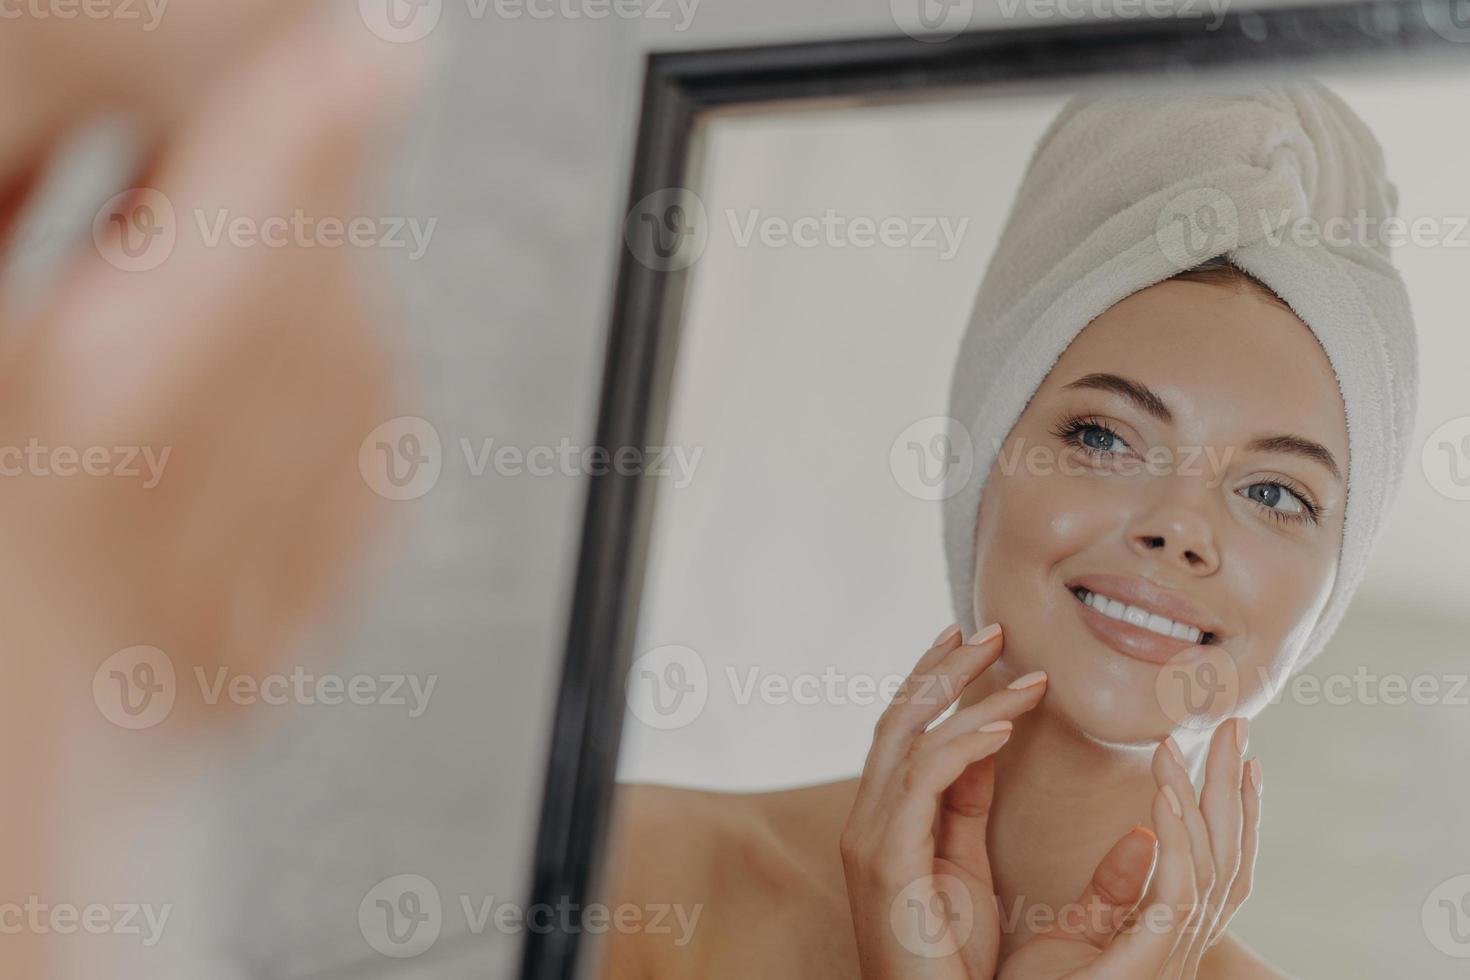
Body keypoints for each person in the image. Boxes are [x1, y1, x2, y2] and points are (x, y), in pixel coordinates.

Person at [599, 82, 1417, 980]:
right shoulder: (638, 881)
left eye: (1275, 494)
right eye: (1105, 437)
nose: (1182, 529)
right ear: (986, 458)